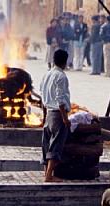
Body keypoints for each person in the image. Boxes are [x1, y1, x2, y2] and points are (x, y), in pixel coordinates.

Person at [39, 49, 71, 182]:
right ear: (64, 62)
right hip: (57, 115)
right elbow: (60, 100)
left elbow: (42, 95)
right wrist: (65, 118)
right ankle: (48, 176)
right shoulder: (61, 76)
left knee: (46, 144)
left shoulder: (47, 74)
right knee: (56, 145)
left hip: (48, 113)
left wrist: (44, 114)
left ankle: (46, 172)